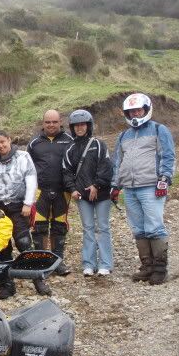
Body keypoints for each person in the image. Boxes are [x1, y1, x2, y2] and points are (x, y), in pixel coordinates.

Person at [0, 131, 50, 297]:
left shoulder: (23, 157)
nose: (1, 146)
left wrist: (28, 203)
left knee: (24, 242)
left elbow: (31, 180)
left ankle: (38, 280)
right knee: (2, 246)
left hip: (18, 205)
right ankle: (7, 284)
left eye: (3, 142)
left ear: (9, 140)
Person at [111, 93, 175, 285]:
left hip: (151, 187)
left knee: (154, 226)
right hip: (130, 189)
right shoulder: (123, 135)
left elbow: (168, 156)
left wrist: (164, 178)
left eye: (138, 110)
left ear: (146, 110)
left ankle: (160, 269)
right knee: (138, 229)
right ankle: (147, 266)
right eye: (131, 112)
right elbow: (117, 162)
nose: (135, 114)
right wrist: (115, 185)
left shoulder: (158, 129)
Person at [62, 110, 114, 277]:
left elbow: (106, 167)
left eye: (83, 124)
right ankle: (89, 263)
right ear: (72, 127)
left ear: (89, 126)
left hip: (102, 194)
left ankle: (105, 263)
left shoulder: (99, 145)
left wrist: (96, 185)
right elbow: (67, 171)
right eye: (76, 125)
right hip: (82, 196)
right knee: (88, 228)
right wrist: (72, 189)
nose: (79, 128)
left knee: (103, 227)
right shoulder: (70, 149)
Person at [27, 109, 74, 276]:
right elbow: (27, 168)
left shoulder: (70, 140)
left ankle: (57, 262)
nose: (51, 125)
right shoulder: (34, 143)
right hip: (40, 191)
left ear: (60, 122)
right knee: (38, 227)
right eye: (48, 122)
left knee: (59, 227)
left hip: (63, 191)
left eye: (54, 122)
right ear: (43, 123)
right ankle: (41, 261)